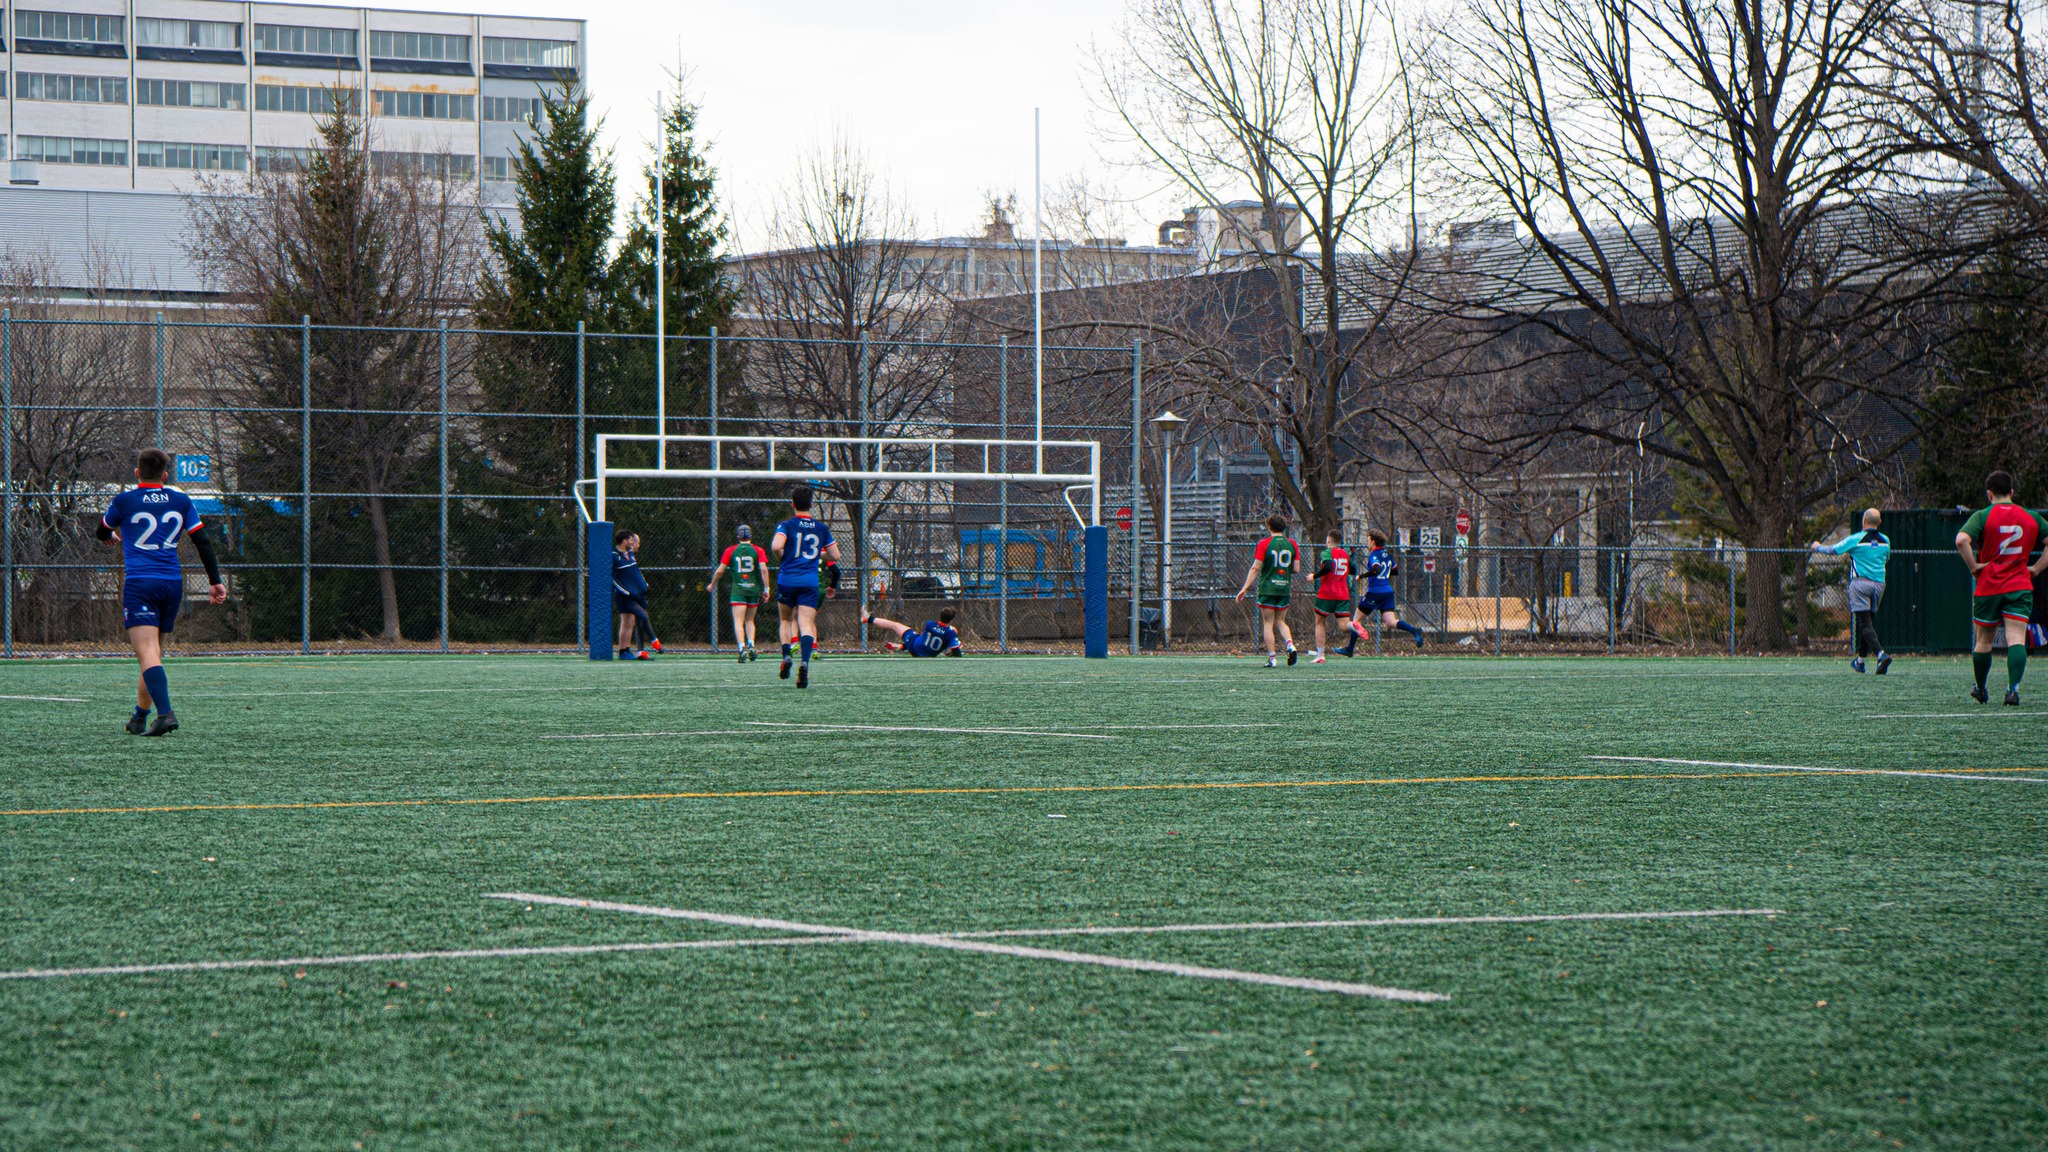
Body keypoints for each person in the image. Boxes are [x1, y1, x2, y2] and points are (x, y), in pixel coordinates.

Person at [95, 448, 227, 736]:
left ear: (137, 473)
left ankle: (165, 713)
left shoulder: (124, 500)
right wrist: (214, 580)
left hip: (141, 584)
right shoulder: (180, 499)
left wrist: (111, 535)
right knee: (152, 655)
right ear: (165, 476)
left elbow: (101, 530)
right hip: (171, 583)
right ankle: (140, 715)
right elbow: (203, 541)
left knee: (147, 654)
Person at [1954, 470, 2048, 705]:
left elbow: (1961, 540)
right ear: (2012, 492)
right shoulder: (2031, 517)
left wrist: (1974, 566)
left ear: (1989, 493)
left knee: (1984, 641)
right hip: (2019, 586)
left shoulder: (1982, 516)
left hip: (1989, 585)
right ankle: (2012, 690)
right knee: (2016, 637)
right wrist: (2036, 568)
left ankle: (1981, 688)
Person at [771, 487, 842, 689]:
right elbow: (835, 556)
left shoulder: (786, 525)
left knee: (786, 619)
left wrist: (785, 556)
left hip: (788, 579)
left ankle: (786, 656)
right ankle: (805, 663)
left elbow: (776, 547)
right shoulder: (821, 528)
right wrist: (815, 555)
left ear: (792, 504)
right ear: (811, 504)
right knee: (806, 623)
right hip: (809, 582)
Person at [1811, 509, 1891, 674]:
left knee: (1865, 624)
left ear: (1864, 521)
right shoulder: (1886, 541)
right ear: (1880, 522)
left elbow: (1833, 550)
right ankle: (1860, 661)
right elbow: (1886, 558)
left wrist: (1817, 547)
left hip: (1860, 584)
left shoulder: (1856, 539)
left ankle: (1881, 655)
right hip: (1879, 584)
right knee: (1868, 624)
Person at [1235, 514, 1300, 667]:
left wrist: (1244, 588)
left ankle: (1272, 659)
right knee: (1281, 621)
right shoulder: (1292, 544)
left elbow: (1256, 567)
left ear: (1269, 527)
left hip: (1268, 589)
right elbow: (1296, 569)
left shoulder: (1264, 544)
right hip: (1284, 588)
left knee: (1268, 623)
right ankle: (1290, 645)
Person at [1345, 528, 1425, 653]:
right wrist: (1384, 574)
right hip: (1387, 592)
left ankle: (1349, 649)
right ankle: (1414, 630)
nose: (1367, 543)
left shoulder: (1373, 555)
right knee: (1391, 621)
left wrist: (1361, 576)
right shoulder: (1387, 554)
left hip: (1375, 592)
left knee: (1356, 621)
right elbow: (1395, 570)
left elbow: (1376, 569)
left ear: (1373, 541)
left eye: (1368, 540)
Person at [706, 524, 770, 663]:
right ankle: (752, 645)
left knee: (738, 621)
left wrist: (712, 584)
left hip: (739, 591)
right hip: (753, 589)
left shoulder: (731, 550)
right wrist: (767, 588)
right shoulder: (758, 550)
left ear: (738, 536)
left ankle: (742, 648)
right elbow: (764, 570)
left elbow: (720, 570)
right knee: (750, 620)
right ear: (751, 535)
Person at [1309, 530, 1355, 664]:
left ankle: (1320, 655)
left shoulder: (1326, 552)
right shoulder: (1345, 554)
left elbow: (1328, 566)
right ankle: (1354, 625)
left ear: (1329, 540)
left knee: (1320, 622)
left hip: (1327, 593)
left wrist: (1314, 576)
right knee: (1344, 626)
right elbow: (1353, 570)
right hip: (1342, 594)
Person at [612, 530, 655, 660]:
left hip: (632, 594)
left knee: (629, 622)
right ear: (625, 541)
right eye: (631, 540)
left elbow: (635, 573)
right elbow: (614, 578)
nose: (635, 543)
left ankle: (626, 650)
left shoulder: (629, 554)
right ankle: (625, 650)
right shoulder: (614, 556)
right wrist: (625, 591)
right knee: (630, 620)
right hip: (624, 595)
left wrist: (643, 585)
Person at [863, 606, 963, 657]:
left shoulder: (929, 624)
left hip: (914, 646)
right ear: (951, 619)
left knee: (895, 625)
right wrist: (954, 652)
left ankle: (868, 619)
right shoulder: (951, 634)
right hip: (926, 655)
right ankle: (902, 646)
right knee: (957, 643)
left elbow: (937, 630)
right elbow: (957, 651)